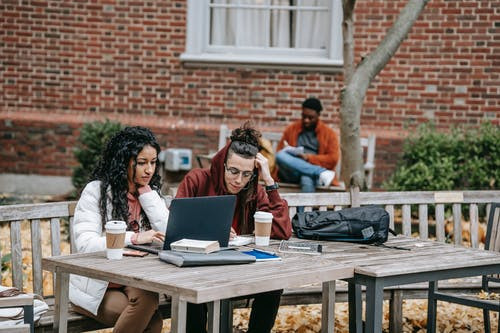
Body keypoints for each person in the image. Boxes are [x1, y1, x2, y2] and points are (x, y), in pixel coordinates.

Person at [176, 122, 292, 333]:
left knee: (273, 286)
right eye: (233, 171)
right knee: (192, 291)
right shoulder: (197, 180)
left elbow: (282, 232)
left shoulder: (254, 190)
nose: (239, 180)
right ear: (222, 164)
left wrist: (268, 180)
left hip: (240, 272)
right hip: (199, 271)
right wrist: (211, 232)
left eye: (247, 174)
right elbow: (176, 228)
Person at [69, 126, 168, 333]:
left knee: (149, 305)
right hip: (98, 285)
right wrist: (135, 237)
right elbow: (86, 243)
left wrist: (148, 196)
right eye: (141, 163)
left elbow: (169, 233)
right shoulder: (97, 191)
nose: (149, 170)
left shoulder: (150, 193)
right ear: (123, 162)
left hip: (133, 279)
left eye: (153, 162)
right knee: (152, 322)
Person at [273, 97, 340, 192]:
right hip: (292, 172)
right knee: (280, 155)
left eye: (310, 117)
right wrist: (291, 152)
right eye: (304, 116)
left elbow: (333, 159)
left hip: (313, 177)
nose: (306, 120)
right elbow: (280, 153)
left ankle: (313, 173)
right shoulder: (292, 129)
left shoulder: (329, 134)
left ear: (318, 115)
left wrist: (307, 158)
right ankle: (321, 172)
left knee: (306, 178)